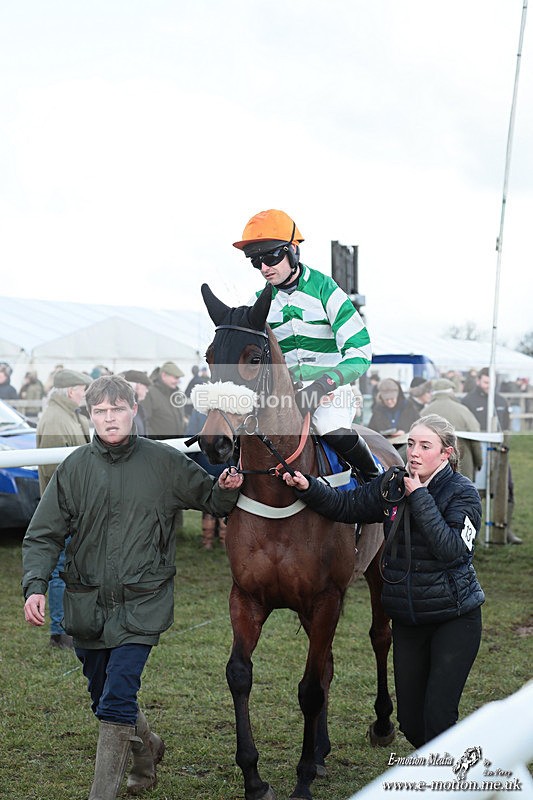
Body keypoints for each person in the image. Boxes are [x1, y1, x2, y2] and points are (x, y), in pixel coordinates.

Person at [22, 375, 242, 800]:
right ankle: (147, 749)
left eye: (117, 409)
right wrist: (35, 585)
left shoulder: (164, 462)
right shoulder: (74, 468)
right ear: (90, 415)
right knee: (101, 697)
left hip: (143, 602)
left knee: (117, 698)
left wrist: (225, 488)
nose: (109, 418)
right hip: (87, 604)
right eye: (100, 411)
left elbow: (210, 499)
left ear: (133, 410)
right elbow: (43, 535)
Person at [282, 414, 484, 748]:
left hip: (454, 618)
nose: (413, 452)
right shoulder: (393, 482)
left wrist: (419, 497)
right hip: (408, 618)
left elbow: (451, 550)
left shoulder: (463, 493)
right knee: (412, 725)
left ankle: (450, 773)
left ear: (446, 453)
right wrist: (310, 487)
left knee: (438, 719)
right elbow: (346, 506)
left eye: (425, 446)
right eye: (411, 444)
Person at [233, 208, 379, 481]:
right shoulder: (259, 301)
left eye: (271, 257)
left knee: (329, 428)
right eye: (256, 261)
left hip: (330, 392)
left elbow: (360, 353)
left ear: (292, 250)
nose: (264, 268)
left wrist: (323, 384)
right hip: (283, 397)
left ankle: (376, 479)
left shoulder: (326, 289)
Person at [36, 368, 93, 649]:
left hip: (72, 507)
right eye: (83, 389)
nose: (85, 394)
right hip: (63, 510)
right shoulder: (56, 420)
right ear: (71, 391)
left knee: (70, 567)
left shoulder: (68, 415)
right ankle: (59, 631)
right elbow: (53, 472)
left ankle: (68, 626)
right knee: (60, 568)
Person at [462, 367, 520, 544]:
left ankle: (504, 529)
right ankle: (473, 534)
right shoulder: (468, 401)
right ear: (479, 380)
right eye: (486, 382)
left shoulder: (501, 400)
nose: (489, 385)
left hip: (499, 453)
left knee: (507, 488)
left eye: (491, 382)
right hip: (478, 452)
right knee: (476, 492)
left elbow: (506, 425)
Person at [424, 378, 482, 482]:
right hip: (462, 464)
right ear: (451, 392)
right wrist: (479, 461)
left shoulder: (424, 413)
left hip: (431, 467)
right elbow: (475, 438)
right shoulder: (463, 411)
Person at [141, 361, 186, 439]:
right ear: (164, 375)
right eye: (175, 378)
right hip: (159, 444)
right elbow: (144, 422)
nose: (177, 381)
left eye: (178, 378)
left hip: (176, 443)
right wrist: (155, 442)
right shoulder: (150, 393)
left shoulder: (176, 394)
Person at [367, 378, 413, 443]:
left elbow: (417, 425)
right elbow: (371, 431)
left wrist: (404, 431)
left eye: (392, 399)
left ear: (397, 397)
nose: (389, 402)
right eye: (386, 399)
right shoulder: (378, 410)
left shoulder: (407, 407)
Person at [120, 369, 152, 436]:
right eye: (146, 387)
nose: (147, 391)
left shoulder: (138, 408)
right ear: (137, 386)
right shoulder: (124, 409)